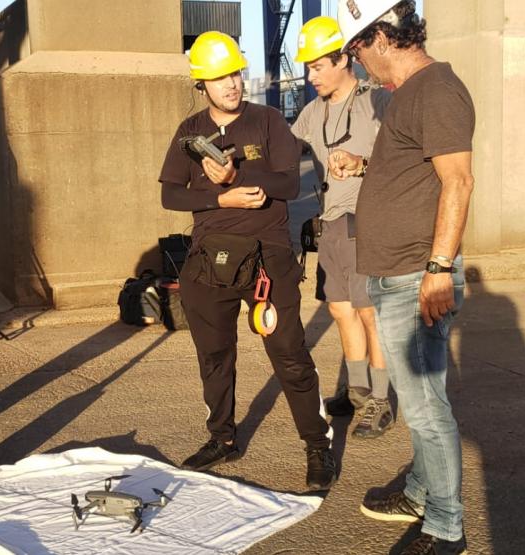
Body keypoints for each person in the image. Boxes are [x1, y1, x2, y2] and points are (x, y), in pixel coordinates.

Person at [159, 31, 336, 490]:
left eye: (235, 73)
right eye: (220, 78)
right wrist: (222, 197)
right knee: (214, 357)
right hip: (209, 260)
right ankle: (222, 438)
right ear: (203, 84)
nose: (232, 84)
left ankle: (317, 445)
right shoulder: (189, 131)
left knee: (289, 355)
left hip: (268, 258)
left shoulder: (269, 121)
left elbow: (289, 185)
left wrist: (239, 175)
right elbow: (170, 194)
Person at [328, 2, 475, 553]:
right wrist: (362, 166)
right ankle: (420, 491)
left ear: (382, 35)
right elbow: (418, 170)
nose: (358, 63)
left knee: (426, 408)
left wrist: (438, 270)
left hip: (418, 275)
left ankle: (444, 525)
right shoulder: (408, 97)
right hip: (398, 272)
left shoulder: (436, 90)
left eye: (357, 50)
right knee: (418, 403)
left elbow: (458, 182)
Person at [290, 16, 394, 439]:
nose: (311, 76)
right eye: (308, 68)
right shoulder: (313, 111)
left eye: (317, 67)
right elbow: (282, 150)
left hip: (368, 220)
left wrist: (362, 163)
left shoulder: (378, 102)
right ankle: (356, 391)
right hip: (331, 221)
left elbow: (406, 158)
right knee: (339, 308)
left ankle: (381, 400)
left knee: (369, 312)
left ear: (344, 58)